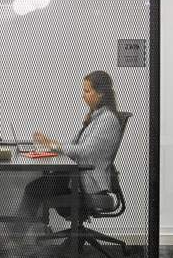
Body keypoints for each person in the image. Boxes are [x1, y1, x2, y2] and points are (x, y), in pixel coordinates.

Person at [16, 70, 125, 225]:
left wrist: (53, 145)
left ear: (100, 94)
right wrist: (49, 145)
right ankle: (16, 238)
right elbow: (74, 145)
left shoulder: (107, 119)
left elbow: (85, 151)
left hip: (87, 183)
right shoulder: (96, 117)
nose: (83, 95)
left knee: (34, 189)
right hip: (77, 178)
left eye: (87, 91)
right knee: (36, 187)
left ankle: (14, 241)